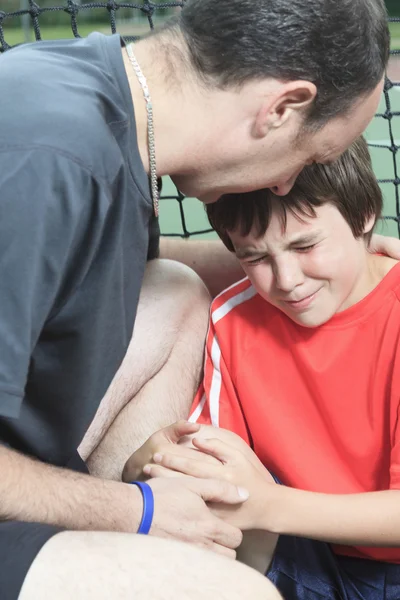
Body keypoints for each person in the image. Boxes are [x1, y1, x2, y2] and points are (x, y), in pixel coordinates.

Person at [0, 0, 397, 597]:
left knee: (175, 287)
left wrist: (355, 259)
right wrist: (132, 510)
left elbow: (96, 258)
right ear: (281, 109)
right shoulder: (50, 162)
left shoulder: (92, 99)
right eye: (313, 156)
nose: (285, 183)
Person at [136, 137, 400, 599]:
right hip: (300, 553)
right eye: (255, 257)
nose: (287, 281)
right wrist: (151, 460)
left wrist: (269, 506)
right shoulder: (233, 318)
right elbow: (212, 473)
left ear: (363, 217)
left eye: (306, 244)